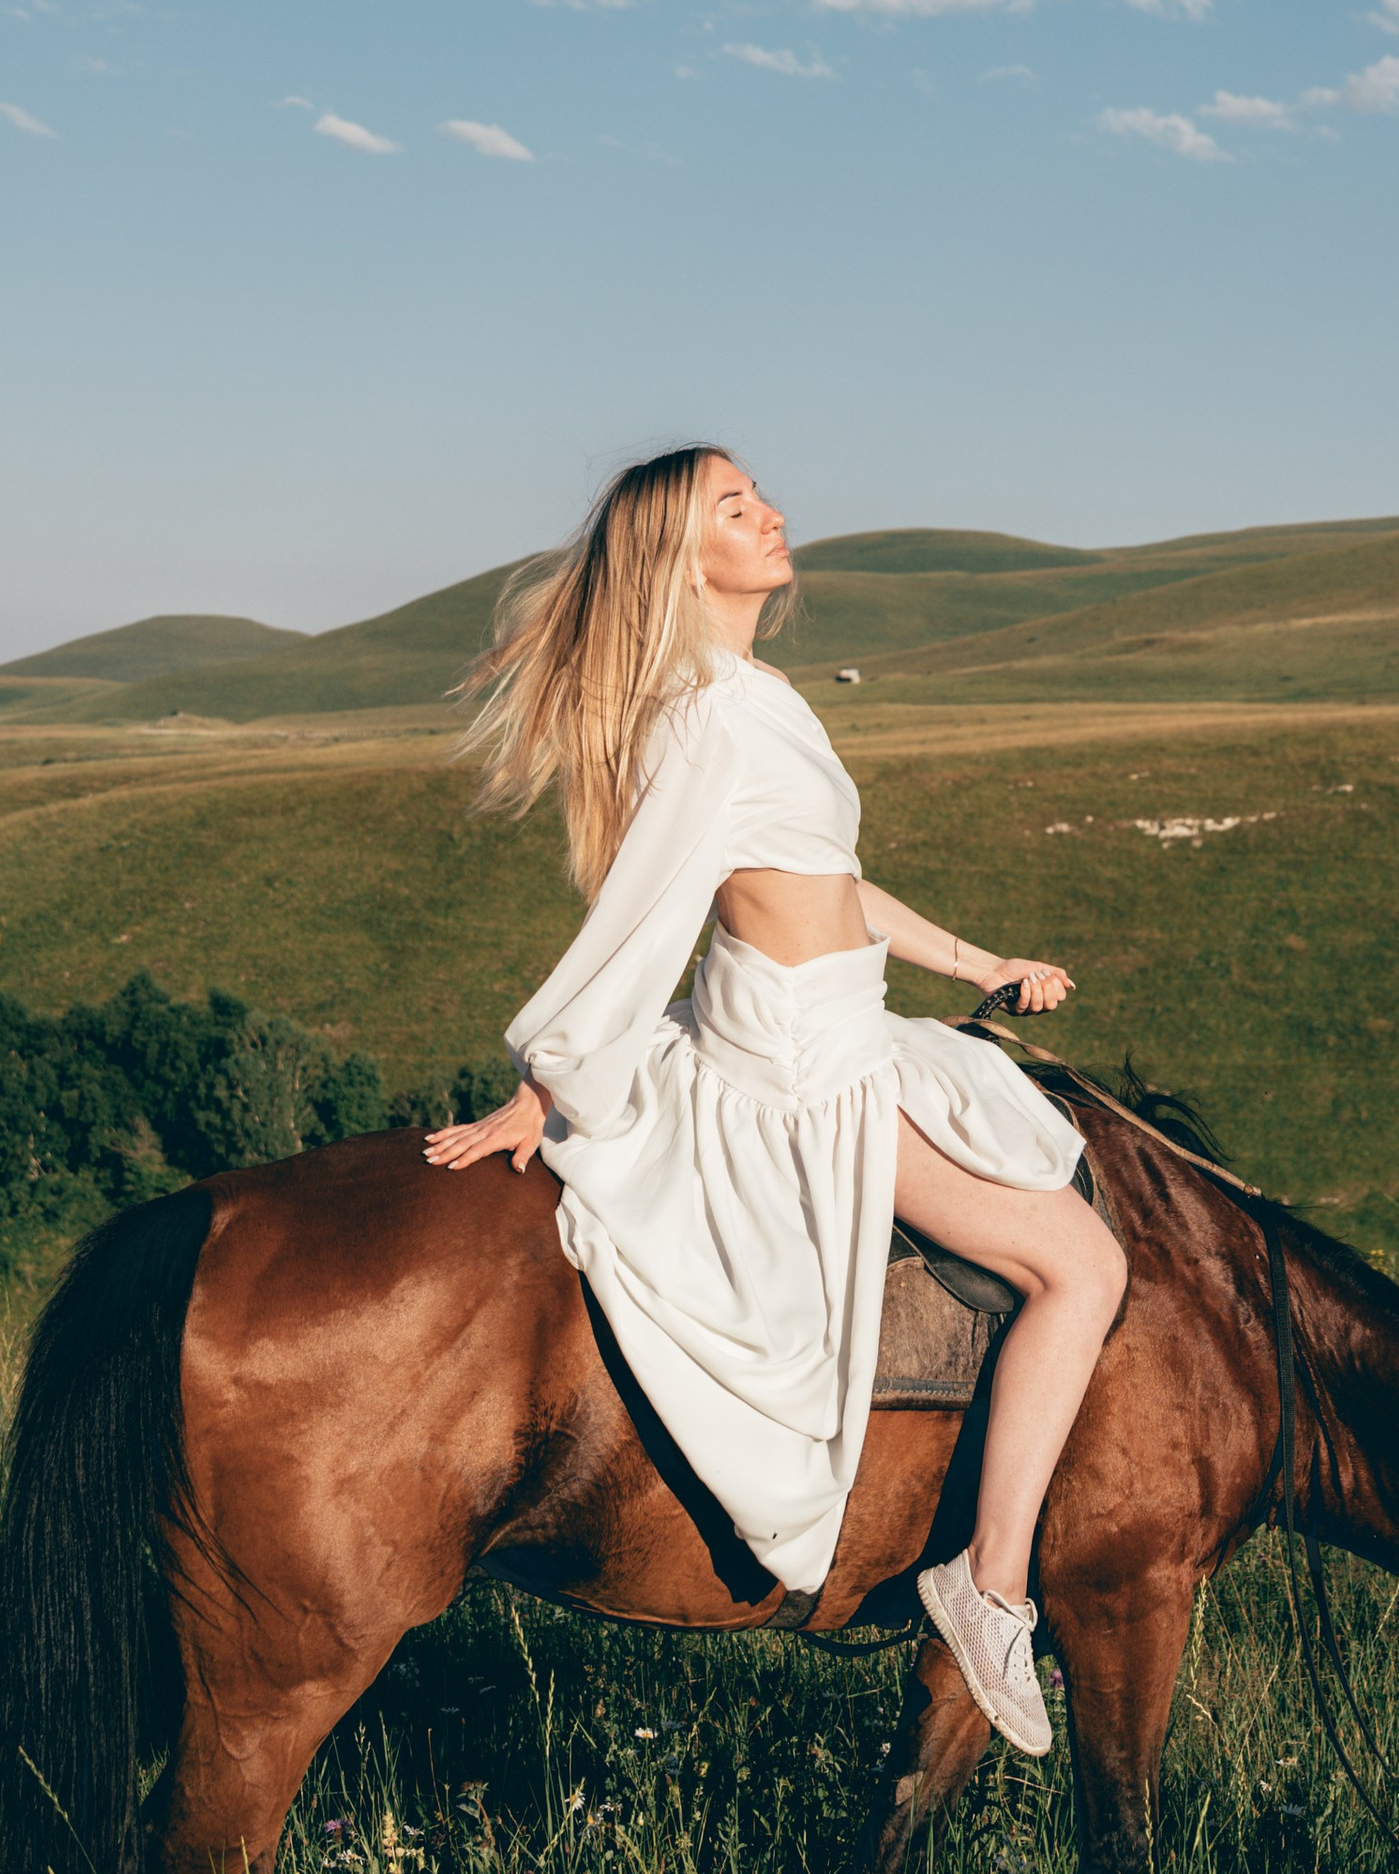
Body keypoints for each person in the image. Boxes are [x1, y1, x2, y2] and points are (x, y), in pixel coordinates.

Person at [426, 445, 1127, 1756]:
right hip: (804, 1066)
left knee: (1034, 1148)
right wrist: (550, 1079)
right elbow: (647, 908)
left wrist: (979, 963)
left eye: (759, 499)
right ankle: (988, 1591)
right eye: (736, 509)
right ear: (680, 559)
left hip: (849, 1023)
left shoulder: (758, 695)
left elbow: (829, 880)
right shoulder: (707, 717)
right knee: (1083, 1267)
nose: (774, 515)